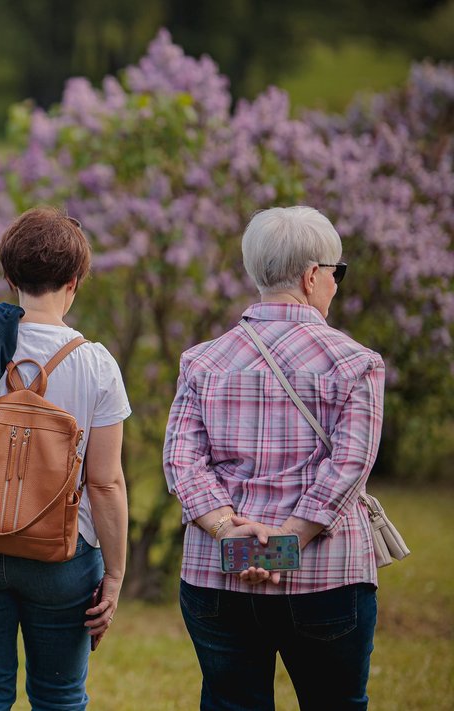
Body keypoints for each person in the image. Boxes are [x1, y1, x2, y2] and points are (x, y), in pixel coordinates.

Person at [163, 206, 384, 711]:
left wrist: (228, 531)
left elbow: (181, 460)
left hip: (218, 577)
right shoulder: (356, 363)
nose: (336, 284)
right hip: (326, 577)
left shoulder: (202, 360)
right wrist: (288, 539)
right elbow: (350, 464)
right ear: (312, 277)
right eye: (336, 273)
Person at [0, 206, 131, 710]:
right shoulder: (96, 364)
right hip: (61, 558)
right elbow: (105, 484)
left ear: (10, 277)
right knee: (59, 696)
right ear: (75, 280)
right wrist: (116, 575)